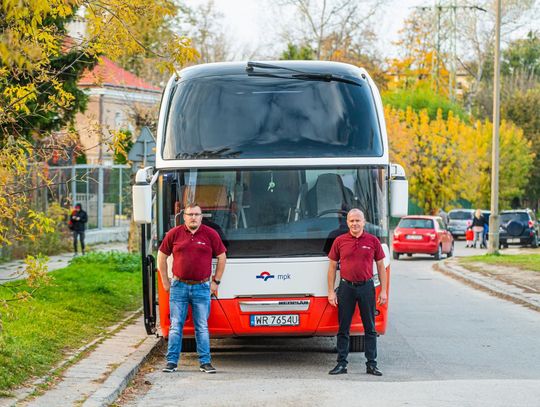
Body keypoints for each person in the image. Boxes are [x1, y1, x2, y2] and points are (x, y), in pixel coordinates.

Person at [157, 203, 227, 374]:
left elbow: (222, 257)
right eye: (190, 214)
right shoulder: (174, 234)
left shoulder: (211, 234)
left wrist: (216, 282)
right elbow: (161, 256)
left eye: (197, 214)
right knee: (176, 326)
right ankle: (171, 362)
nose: (193, 217)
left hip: (202, 287)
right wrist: (165, 281)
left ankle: (205, 362)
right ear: (184, 217)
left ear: (201, 217)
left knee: (201, 326)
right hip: (178, 286)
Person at [327, 208, 387, 376]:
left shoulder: (373, 241)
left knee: (370, 328)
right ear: (347, 223)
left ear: (363, 222)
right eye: (352, 221)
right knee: (343, 328)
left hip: (367, 287)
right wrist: (331, 291)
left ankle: (372, 364)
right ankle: (341, 364)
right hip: (346, 288)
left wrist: (383, 291)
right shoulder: (339, 241)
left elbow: (381, 266)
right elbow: (332, 267)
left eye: (358, 220)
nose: (355, 224)